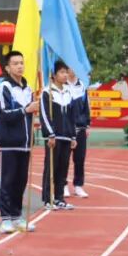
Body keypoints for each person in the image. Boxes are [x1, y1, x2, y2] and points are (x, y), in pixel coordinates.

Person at [0, 51, 39, 234]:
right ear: (7, 67)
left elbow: (30, 113)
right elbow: (3, 115)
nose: (19, 66)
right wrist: (25, 110)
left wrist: (32, 111)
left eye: (21, 62)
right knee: (7, 180)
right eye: (15, 63)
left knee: (21, 181)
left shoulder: (28, 89)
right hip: (9, 143)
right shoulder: (4, 88)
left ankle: (17, 215)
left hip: (25, 144)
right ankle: (5, 218)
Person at [40, 62, 75, 211]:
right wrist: (50, 134)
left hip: (66, 137)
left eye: (66, 72)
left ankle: (59, 197)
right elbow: (44, 115)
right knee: (51, 168)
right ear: (54, 75)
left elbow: (72, 116)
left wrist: (73, 136)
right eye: (61, 72)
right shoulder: (47, 92)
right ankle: (48, 198)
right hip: (54, 138)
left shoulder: (68, 92)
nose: (65, 75)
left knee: (63, 168)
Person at [66, 72, 91, 199]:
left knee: (79, 158)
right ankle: (63, 185)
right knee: (64, 158)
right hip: (66, 128)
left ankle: (78, 185)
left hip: (80, 127)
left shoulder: (82, 86)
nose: (72, 70)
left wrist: (87, 125)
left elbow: (86, 107)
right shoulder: (62, 85)